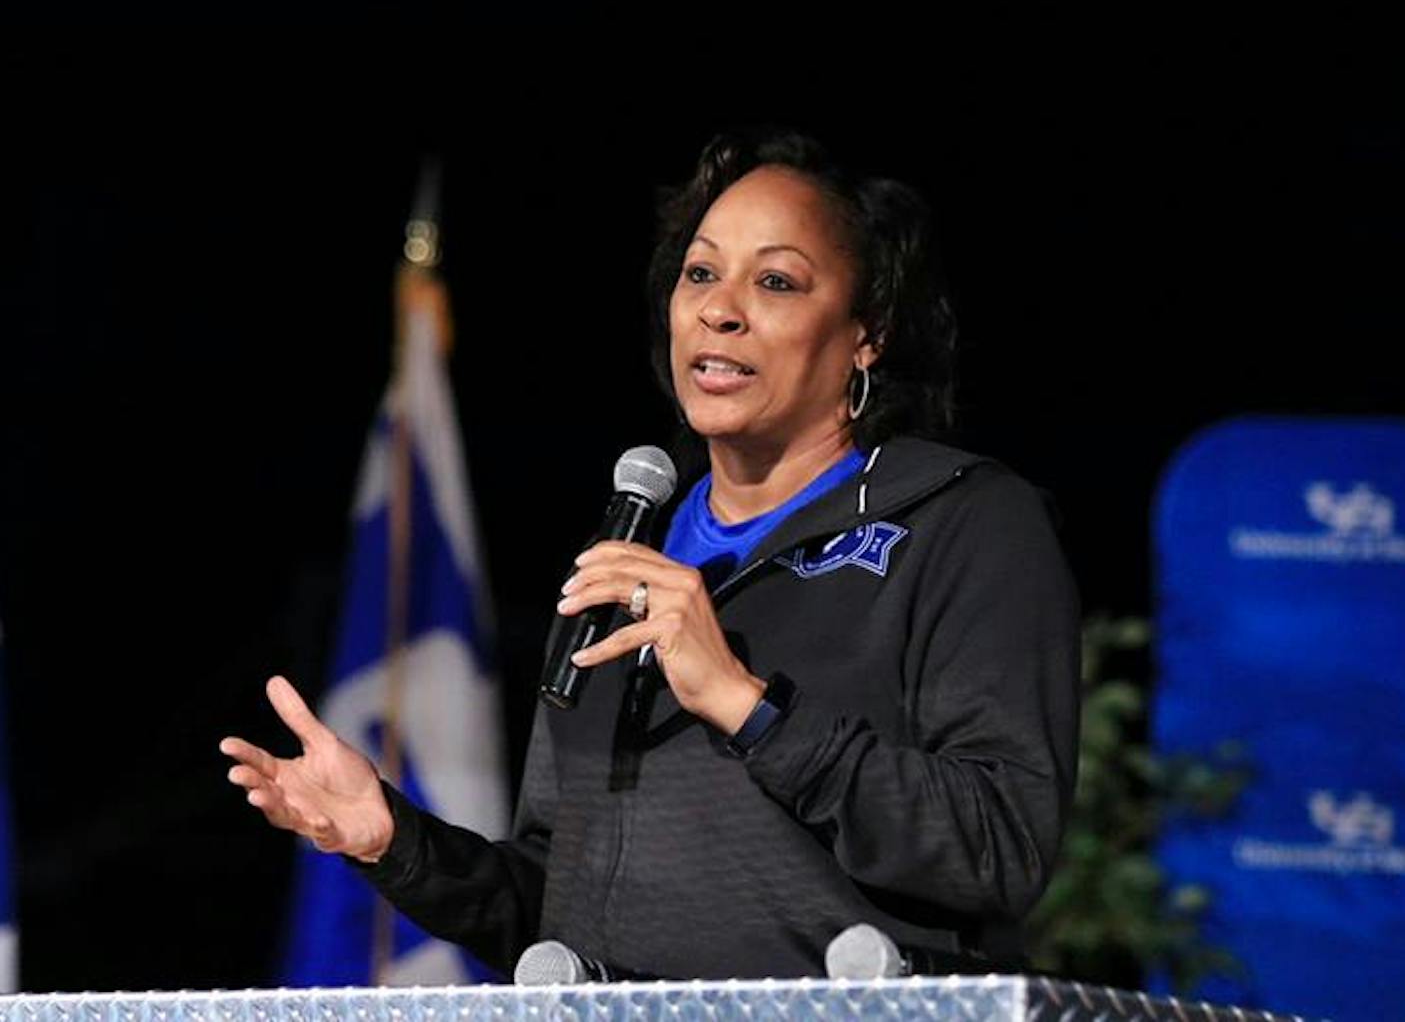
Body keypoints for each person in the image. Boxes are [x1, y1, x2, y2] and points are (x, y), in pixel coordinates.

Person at [221, 129, 1081, 980]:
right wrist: (394, 840)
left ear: (869, 333)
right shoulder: (628, 548)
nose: (720, 307)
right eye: (700, 273)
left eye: (776, 280)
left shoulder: (963, 522)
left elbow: (1000, 845)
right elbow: (559, 903)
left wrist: (750, 707)